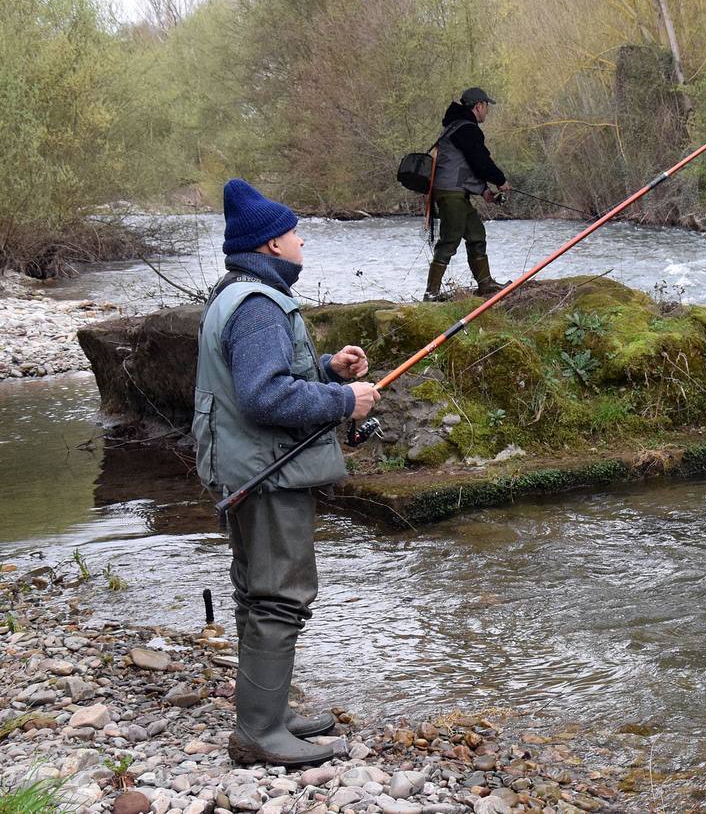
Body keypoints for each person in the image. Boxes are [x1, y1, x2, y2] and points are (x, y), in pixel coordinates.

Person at [192, 178, 381, 767]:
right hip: (268, 476)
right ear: (273, 244)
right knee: (279, 598)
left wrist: (325, 368)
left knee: (256, 594)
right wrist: (344, 400)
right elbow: (264, 398)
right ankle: (259, 733)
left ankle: (268, 714)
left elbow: (258, 379)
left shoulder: (236, 295)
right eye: (295, 232)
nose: (303, 241)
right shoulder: (260, 306)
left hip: (247, 470)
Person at [426, 86, 511, 300]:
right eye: (486, 106)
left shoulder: (455, 127)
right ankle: (431, 294)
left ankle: (486, 285)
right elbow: (480, 162)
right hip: (451, 193)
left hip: (452, 191)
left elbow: (463, 167)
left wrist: (483, 190)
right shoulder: (467, 129)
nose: (487, 111)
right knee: (449, 240)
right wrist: (500, 181)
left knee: (476, 234)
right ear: (478, 106)